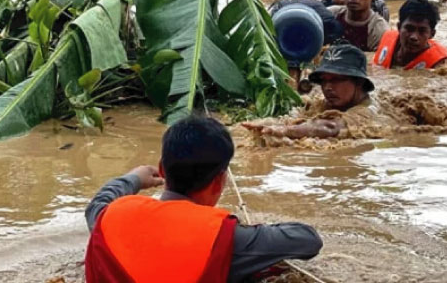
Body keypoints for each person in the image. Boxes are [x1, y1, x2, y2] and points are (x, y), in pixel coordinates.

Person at [84, 116, 323, 282]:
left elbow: (99, 202)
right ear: (220, 181)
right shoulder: (227, 235)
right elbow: (308, 240)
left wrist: (133, 178)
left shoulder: (111, 217)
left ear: (162, 170)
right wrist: (253, 232)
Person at [242, 44, 376, 139]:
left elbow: (331, 127)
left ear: (359, 82)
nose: (328, 87)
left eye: (336, 79)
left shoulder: (367, 112)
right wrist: (270, 124)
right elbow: (299, 119)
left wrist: (286, 130)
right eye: (324, 80)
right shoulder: (321, 104)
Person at [373, 0, 447, 70]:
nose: (414, 37)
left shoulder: (441, 64)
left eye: (422, 31)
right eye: (409, 29)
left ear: (432, 34)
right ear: (399, 27)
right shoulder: (387, 38)